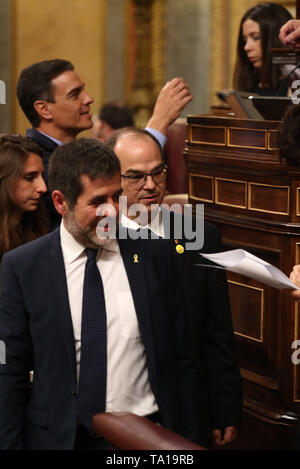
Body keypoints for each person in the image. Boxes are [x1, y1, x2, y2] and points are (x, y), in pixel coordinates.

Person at [0, 138, 201, 450]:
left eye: (116, 196)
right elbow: (10, 373)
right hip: (60, 440)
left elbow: (183, 356)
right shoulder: (22, 267)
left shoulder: (156, 255)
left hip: (146, 436)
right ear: (60, 202)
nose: (111, 212)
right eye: (97, 202)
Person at [106, 127, 243, 448]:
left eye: (158, 172)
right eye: (136, 176)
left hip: (184, 411)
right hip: (114, 410)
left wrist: (225, 407)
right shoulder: (97, 236)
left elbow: (216, 330)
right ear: (113, 179)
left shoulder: (199, 237)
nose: (151, 185)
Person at [17, 59, 192, 228]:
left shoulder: (81, 151)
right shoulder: (32, 164)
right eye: (75, 94)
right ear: (44, 109)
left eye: (83, 91)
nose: (88, 99)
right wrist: (158, 123)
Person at [0, 134, 48, 259]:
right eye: (29, 178)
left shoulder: (37, 226)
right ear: (4, 179)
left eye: (42, 176)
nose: (43, 188)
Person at [233, 3, 293, 95]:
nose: (246, 47)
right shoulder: (250, 83)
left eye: (256, 37)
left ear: (277, 39)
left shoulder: (293, 84)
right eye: (245, 40)